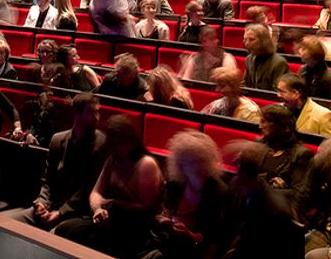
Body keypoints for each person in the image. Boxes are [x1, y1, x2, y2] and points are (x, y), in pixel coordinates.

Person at [53, 115, 162, 255]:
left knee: (93, 242)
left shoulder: (146, 164)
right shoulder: (113, 160)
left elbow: (147, 208)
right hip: (110, 221)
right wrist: (98, 209)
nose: (112, 149)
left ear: (129, 142)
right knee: (65, 229)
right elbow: (96, 192)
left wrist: (114, 203)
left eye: (115, 144)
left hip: (133, 228)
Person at [17, 92, 105, 229]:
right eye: (91, 113)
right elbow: (48, 179)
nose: (97, 118)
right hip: (51, 206)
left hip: (76, 214)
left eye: (97, 112)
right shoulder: (58, 140)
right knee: (6, 224)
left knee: (50, 239)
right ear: (76, 113)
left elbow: (88, 189)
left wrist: (60, 213)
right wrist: (42, 202)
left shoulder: (101, 144)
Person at [153, 131, 227, 259]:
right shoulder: (174, 183)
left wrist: (190, 235)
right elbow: (160, 214)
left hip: (195, 251)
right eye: (190, 162)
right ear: (180, 164)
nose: (196, 167)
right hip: (167, 244)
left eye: (200, 161)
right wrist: (163, 220)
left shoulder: (218, 192)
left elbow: (215, 241)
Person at [276, 72, 331, 138]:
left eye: (282, 92)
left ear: (297, 93)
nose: (278, 95)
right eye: (278, 91)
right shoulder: (278, 110)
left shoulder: (323, 115)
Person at [242, 23, 290, 91]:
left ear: (263, 41)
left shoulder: (279, 63)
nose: (246, 43)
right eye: (245, 39)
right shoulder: (249, 59)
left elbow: (277, 92)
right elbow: (245, 84)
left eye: (251, 40)